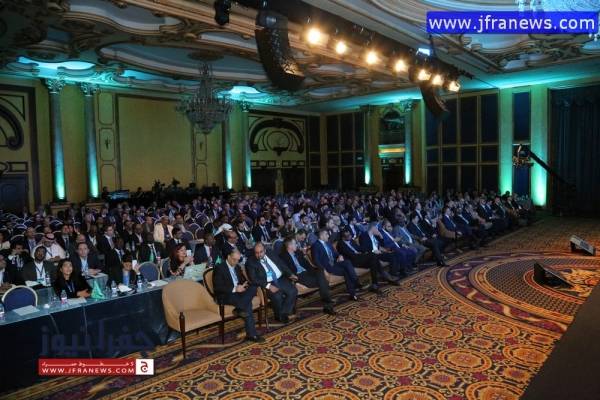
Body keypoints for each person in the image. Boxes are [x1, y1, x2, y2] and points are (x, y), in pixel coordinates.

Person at [212, 249, 264, 342]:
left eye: (238, 260)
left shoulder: (237, 267)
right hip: (226, 295)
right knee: (248, 304)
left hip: (239, 293)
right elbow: (218, 287)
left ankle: (239, 308)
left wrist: (244, 285)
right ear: (228, 257)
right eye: (234, 259)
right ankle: (252, 334)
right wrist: (235, 289)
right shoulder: (219, 268)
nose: (236, 262)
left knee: (253, 287)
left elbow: (241, 281)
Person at [279, 237, 336, 315]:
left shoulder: (298, 253)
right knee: (323, 282)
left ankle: (328, 304)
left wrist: (314, 271)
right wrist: (292, 277)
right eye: (295, 244)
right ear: (289, 246)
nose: (297, 245)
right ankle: (328, 305)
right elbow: (285, 270)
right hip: (298, 275)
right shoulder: (283, 256)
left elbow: (307, 265)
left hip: (307, 273)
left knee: (320, 271)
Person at [246, 243, 298, 324]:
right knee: (277, 296)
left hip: (280, 279)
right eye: (256, 253)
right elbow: (254, 279)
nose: (259, 255)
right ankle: (281, 316)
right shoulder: (251, 262)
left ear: (265, 250)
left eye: (261, 252)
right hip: (267, 283)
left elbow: (281, 264)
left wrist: (290, 274)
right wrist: (269, 286)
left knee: (293, 291)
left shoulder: (271, 253)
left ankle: (282, 314)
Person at [337, 229, 397, 293]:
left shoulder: (351, 241)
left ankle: (374, 284)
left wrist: (365, 250)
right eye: (347, 236)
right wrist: (360, 253)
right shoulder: (340, 244)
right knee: (373, 255)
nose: (350, 236)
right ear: (343, 237)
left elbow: (360, 248)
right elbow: (350, 255)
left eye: (350, 234)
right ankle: (385, 275)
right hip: (353, 261)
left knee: (373, 262)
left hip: (361, 258)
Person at [312, 229, 361, 301]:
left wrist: (339, 256)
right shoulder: (315, 245)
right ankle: (353, 291)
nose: (328, 236)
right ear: (321, 236)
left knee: (347, 262)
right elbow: (316, 260)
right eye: (326, 234)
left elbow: (335, 253)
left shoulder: (328, 243)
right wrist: (323, 269)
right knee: (346, 271)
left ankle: (355, 280)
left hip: (335, 262)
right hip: (328, 266)